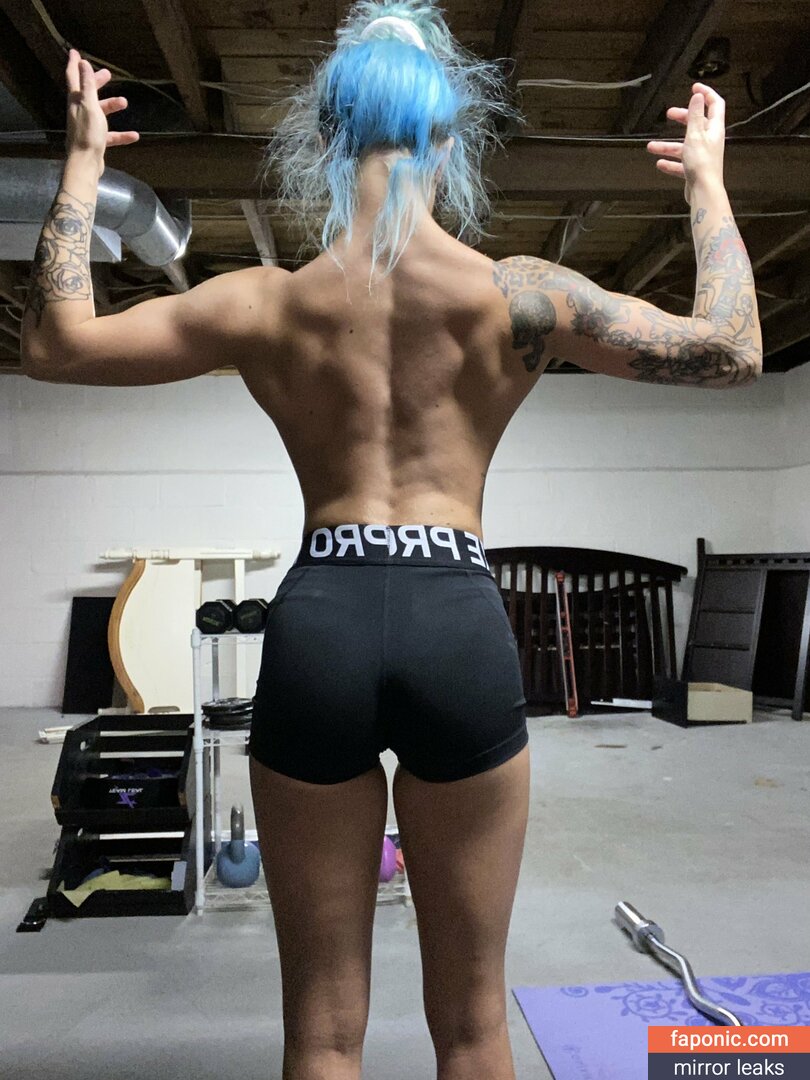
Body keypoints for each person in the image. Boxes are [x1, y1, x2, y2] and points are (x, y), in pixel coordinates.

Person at [20, 3, 762, 1078]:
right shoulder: (520, 295)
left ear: (326, 136)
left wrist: (85, 168)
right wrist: (705, 184)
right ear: (449, 139)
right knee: (474, 1024)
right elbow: (733, 347)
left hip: (320, 622)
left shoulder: (267, 303)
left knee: (323, 1033)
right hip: (454, 618)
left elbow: (55, 344)